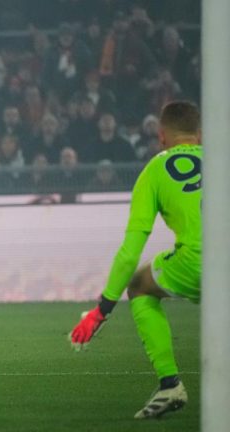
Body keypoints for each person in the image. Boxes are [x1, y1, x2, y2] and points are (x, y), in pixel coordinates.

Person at [69, 101, 201, 419]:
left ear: (161, 136)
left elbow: (130, 252)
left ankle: (170, 383)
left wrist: (102, 311)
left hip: (198, 263)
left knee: (140, 286)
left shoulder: (155, 170)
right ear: (199, 134)